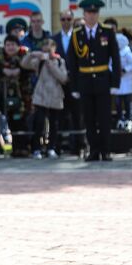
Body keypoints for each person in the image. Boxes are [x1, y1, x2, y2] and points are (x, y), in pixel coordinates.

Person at [66, 0, 121, 161]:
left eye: (95, 12)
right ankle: (94, 150)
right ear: (84, 14)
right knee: (89, 119)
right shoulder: (77, 34)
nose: (92, 15)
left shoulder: (107, 31)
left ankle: (106, 150)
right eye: (89, 13)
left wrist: (115, 83)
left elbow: (115, 58)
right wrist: (74, 86)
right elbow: (72, 62)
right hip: (84, 81)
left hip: (103, 80)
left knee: (104, 118)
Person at [22, 38, 67, 159]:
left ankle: (51, 147)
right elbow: (24, 64)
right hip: (41, 95)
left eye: (50, 46)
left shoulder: (59, 61)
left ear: (54, 48)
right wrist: (31, 54)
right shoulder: (39, 61)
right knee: (39, 122)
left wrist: (49, 63)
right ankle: (36, 148)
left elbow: (63, 78)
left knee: (54, 123)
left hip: (55, 95)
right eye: (44, 46)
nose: (47, 48)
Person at [53, 9, 83, 156]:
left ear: (72, 20)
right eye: (63, 19)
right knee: (59, 116)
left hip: (75, 82)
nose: (66, 22)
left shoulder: (79, 36)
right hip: (59, 83)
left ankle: (78, 145)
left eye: (68, 19)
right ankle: (57, 146)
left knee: (77, 115)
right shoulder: (54, 38)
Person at [0, 34, 31, 157]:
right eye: (8, 45)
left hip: (23, 95)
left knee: (23, 121)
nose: (10, 47)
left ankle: (25, 148)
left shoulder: (24, 55)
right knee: (11, 121)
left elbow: (30, 68)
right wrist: (3, 71)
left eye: (13, 45)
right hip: (6, 95)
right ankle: (15, 148)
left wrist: (20, 71)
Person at [112, 32, 132, 131]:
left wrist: (124, 70)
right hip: (118, 83)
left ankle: (128, 120)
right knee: (118, 103)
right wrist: (114, 71)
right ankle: (120, 119)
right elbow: (109, 64)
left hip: (127, 82)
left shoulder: (127, 52)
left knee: (128, 103)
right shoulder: (113, 52)